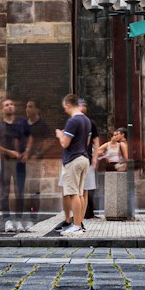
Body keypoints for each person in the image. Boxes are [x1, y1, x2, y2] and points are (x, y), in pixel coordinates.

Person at [55, 93, 92, 238]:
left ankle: (76, 226)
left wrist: (60, 135)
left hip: (73, 159)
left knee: (73, 193)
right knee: (81, 192)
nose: (65, 110)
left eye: (65, 107)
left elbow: (65, 143)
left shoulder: (73, 121)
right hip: (84, 158)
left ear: (69, 105)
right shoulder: (86, 120)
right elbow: (86, 142)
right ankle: (79, 224)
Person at [0, 98, 32, 232]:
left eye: (12, 104)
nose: (10, 107)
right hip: (5, 163)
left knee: (20, 192)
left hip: (20, 163)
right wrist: (9, 152)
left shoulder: (22, 123)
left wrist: (27, 151)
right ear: (2, 109)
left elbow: (30, 137)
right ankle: (7, 221)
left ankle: (18, 220)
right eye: (7, 105)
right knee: (5, 193)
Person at [24, 100, 54, 227]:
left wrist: (38, 154)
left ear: (37, 110)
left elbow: (50, 141)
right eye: (26, 107)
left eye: (30, 107)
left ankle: (33, 215)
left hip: (35, 162)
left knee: (34, 189)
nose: (27, 109)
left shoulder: (42, 125)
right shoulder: (23, 124)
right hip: (21, 161)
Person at [78, 98, 99, 220]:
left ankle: (88, 212)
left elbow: (96, 141)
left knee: (88, 188)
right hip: (75, 158)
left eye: (84, 105)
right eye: (80, 105)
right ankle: (78, 213)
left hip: (87, 158)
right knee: (78, 189)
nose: (83, 107)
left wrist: (95, 158)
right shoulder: (72, 121)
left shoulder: (91, 123)